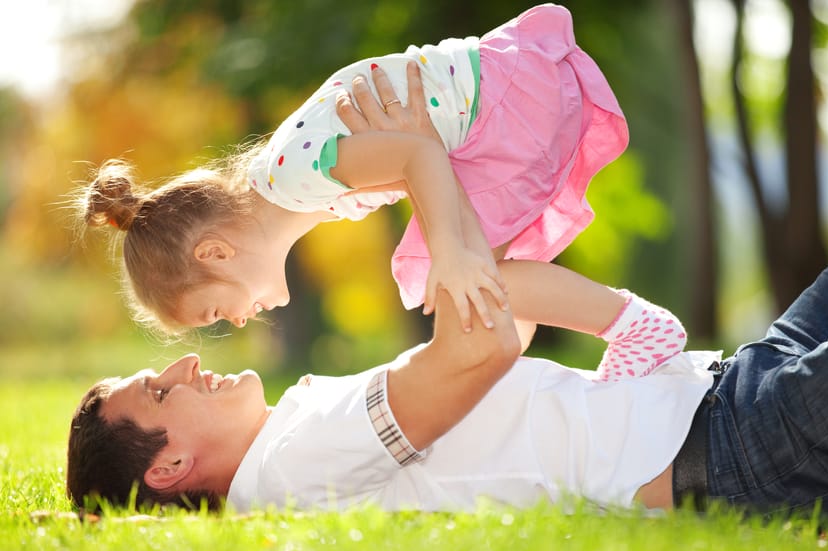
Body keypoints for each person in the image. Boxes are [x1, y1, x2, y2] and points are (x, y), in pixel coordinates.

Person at [67, 233, 828, 527]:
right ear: (171, 465)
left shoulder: (296, 430)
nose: (185, 364)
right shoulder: (293, 461)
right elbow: (472, 351)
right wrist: (441, 199)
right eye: (160, 391)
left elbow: (495, 352)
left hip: (727, 387)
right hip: (737, 444)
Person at [74, 4, 629, 340]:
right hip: (492, 105)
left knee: (472, 281)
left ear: (214, 253)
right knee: (482, 297)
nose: (237, 322)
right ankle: (520, 387)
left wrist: (451, 252)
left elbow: (420, 157)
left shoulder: (294, 179)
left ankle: (636, 331)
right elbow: (414, 158)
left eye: (216, 311)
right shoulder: (290, 184)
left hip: (493, 111)